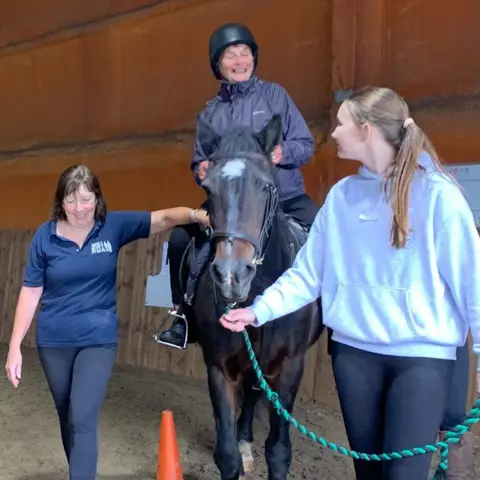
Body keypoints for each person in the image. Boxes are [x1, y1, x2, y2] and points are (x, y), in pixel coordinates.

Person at [219, 86, 480, 480]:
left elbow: (471, 282)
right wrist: (258, 311)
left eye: (341, 124)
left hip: (421, 361)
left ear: (365, 129)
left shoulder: (439, 196)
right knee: (368, 474)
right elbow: (309, 274)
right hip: (354, 356)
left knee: (404, 475)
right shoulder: (341, 197)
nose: (334, 133)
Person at [4, 164, 209, 480]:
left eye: (86, 199)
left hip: (97, 339)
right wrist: (15, 346)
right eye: (71, 200)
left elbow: (163, 219)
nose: (79, 208)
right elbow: (31, 291)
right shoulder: (44, 238)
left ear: (97, 200)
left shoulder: (112, 226)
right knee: (68, 418)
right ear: (61, 202)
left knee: (83, 416)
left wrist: (196, 215)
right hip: (53, 341)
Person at [156, 22, 319, 350]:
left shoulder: (275, 96)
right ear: (218, 64)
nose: (240, 61)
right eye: (231, 55)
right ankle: (183, 315)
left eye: (245, 53)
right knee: (178, 240)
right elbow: (199, 160)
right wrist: (200, 170)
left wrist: (281, 152)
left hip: (283, 197)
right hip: (229, 207)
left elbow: (306, 143)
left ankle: (331, 319)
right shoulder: (212, 113)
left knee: (324, 235)